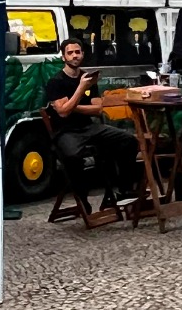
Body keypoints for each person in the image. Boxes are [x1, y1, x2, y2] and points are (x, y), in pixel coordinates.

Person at [43, 39, 140, 206]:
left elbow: (98, 109)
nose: (74, 56)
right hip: (66, 131)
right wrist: (81, 89)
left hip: (89, 127)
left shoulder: (88, 78)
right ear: (63, 57)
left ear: (82, 54)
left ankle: (124, 191)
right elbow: (63, 113)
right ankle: (82, 200)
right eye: (70, 53)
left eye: (77, 52)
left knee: (129, 141)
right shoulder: (56, 82)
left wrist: (72, 106)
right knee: (72, 156)